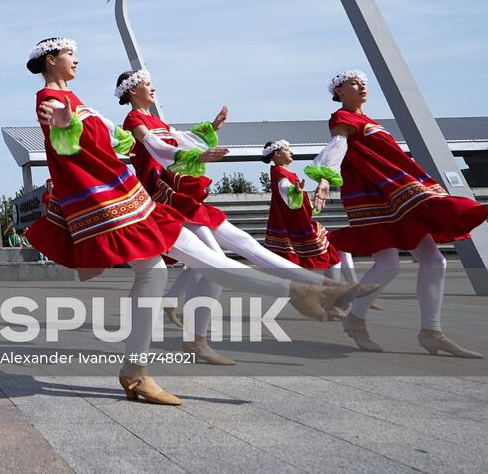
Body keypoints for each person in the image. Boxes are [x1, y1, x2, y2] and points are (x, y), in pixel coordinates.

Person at [26, 38, 374, 406]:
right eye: (69, 55)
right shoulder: (51, 101)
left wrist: (199, 134)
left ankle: (311, 291)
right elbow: (65, 145)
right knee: (187, 266)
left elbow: (122, 144)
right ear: (51, 60)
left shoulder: (80, 102)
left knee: (181, 268)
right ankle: (305, 293)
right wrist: (64, 129)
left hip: (132, 199)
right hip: (109, 203)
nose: (76, 59)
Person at [118, 69, 344, 365]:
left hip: (181, 196)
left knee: (241, 244)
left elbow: (179, 140)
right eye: (147, 85)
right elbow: (156, 147)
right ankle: (196, 339)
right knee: (215, 262)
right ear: (133, 90)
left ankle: (320, 285)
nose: (153, 89)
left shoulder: (157, 120)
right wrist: (196, 157)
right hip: (165, 198)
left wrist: (211, 128)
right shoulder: (134, 121)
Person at [319, 70, 488, 358]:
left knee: (435, 261)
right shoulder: (342, 118)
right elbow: (338, 146)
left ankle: (431, 331)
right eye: (353, 84)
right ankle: (357, 318)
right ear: (339, 92)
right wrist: (324, 178)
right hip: (377, 196)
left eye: (363, 83)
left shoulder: (372, 121)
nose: (361, 86)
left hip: (398, 192)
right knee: (389, 264)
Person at [262, 139, 346, 282]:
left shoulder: (284, 173)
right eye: (287, 150)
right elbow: (283, 187)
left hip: (299, 224)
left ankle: (338, 288)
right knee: (335, 250)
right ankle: (339, 288)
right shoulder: (279, 172)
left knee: (335, 250)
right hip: (298, 228)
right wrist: (293, 190)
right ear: (277, 154)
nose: (291, 152)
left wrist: (305, 200)